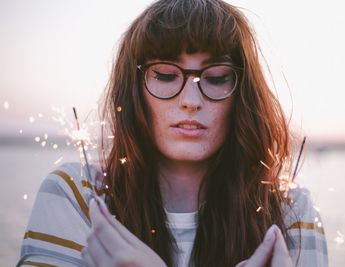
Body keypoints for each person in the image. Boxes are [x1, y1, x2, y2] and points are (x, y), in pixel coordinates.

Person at [17, 0, 328, 266]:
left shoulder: (291, 212)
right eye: (165, 75)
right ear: (134, 89)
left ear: (242, 94)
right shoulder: (76, 195)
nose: (191, 101)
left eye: (217, 78)